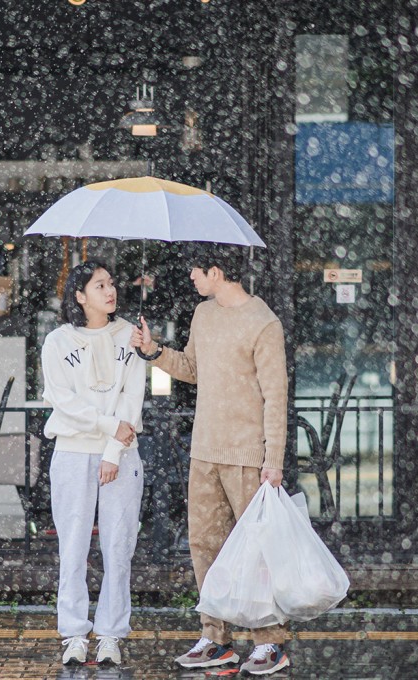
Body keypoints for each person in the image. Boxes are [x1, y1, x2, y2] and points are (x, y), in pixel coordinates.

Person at [130, 244, 291, 676]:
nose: (191, 279)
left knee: (256, 551)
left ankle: (270, 641)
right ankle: (215, 637)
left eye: (196, 271)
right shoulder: (204, 315)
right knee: (206, 548)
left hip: (247, 455)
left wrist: (272, 459)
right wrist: (153, 351)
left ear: (216, 272)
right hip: (204, 450)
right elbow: (193, 367)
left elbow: (276, 397)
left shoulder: (263, 322)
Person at [41, 260, 147, 666]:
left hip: (120, 454)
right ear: (80, 296)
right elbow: (62, 401)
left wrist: (111, 453)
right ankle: (73, 632)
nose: (110, 290)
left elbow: (132, 399)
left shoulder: (129, 336)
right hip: (70, 452)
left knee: (119, 545)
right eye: (99, 285)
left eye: (112, 283)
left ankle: (110, 633)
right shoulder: (57, 341)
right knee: (73, 545)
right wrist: (106, 426)